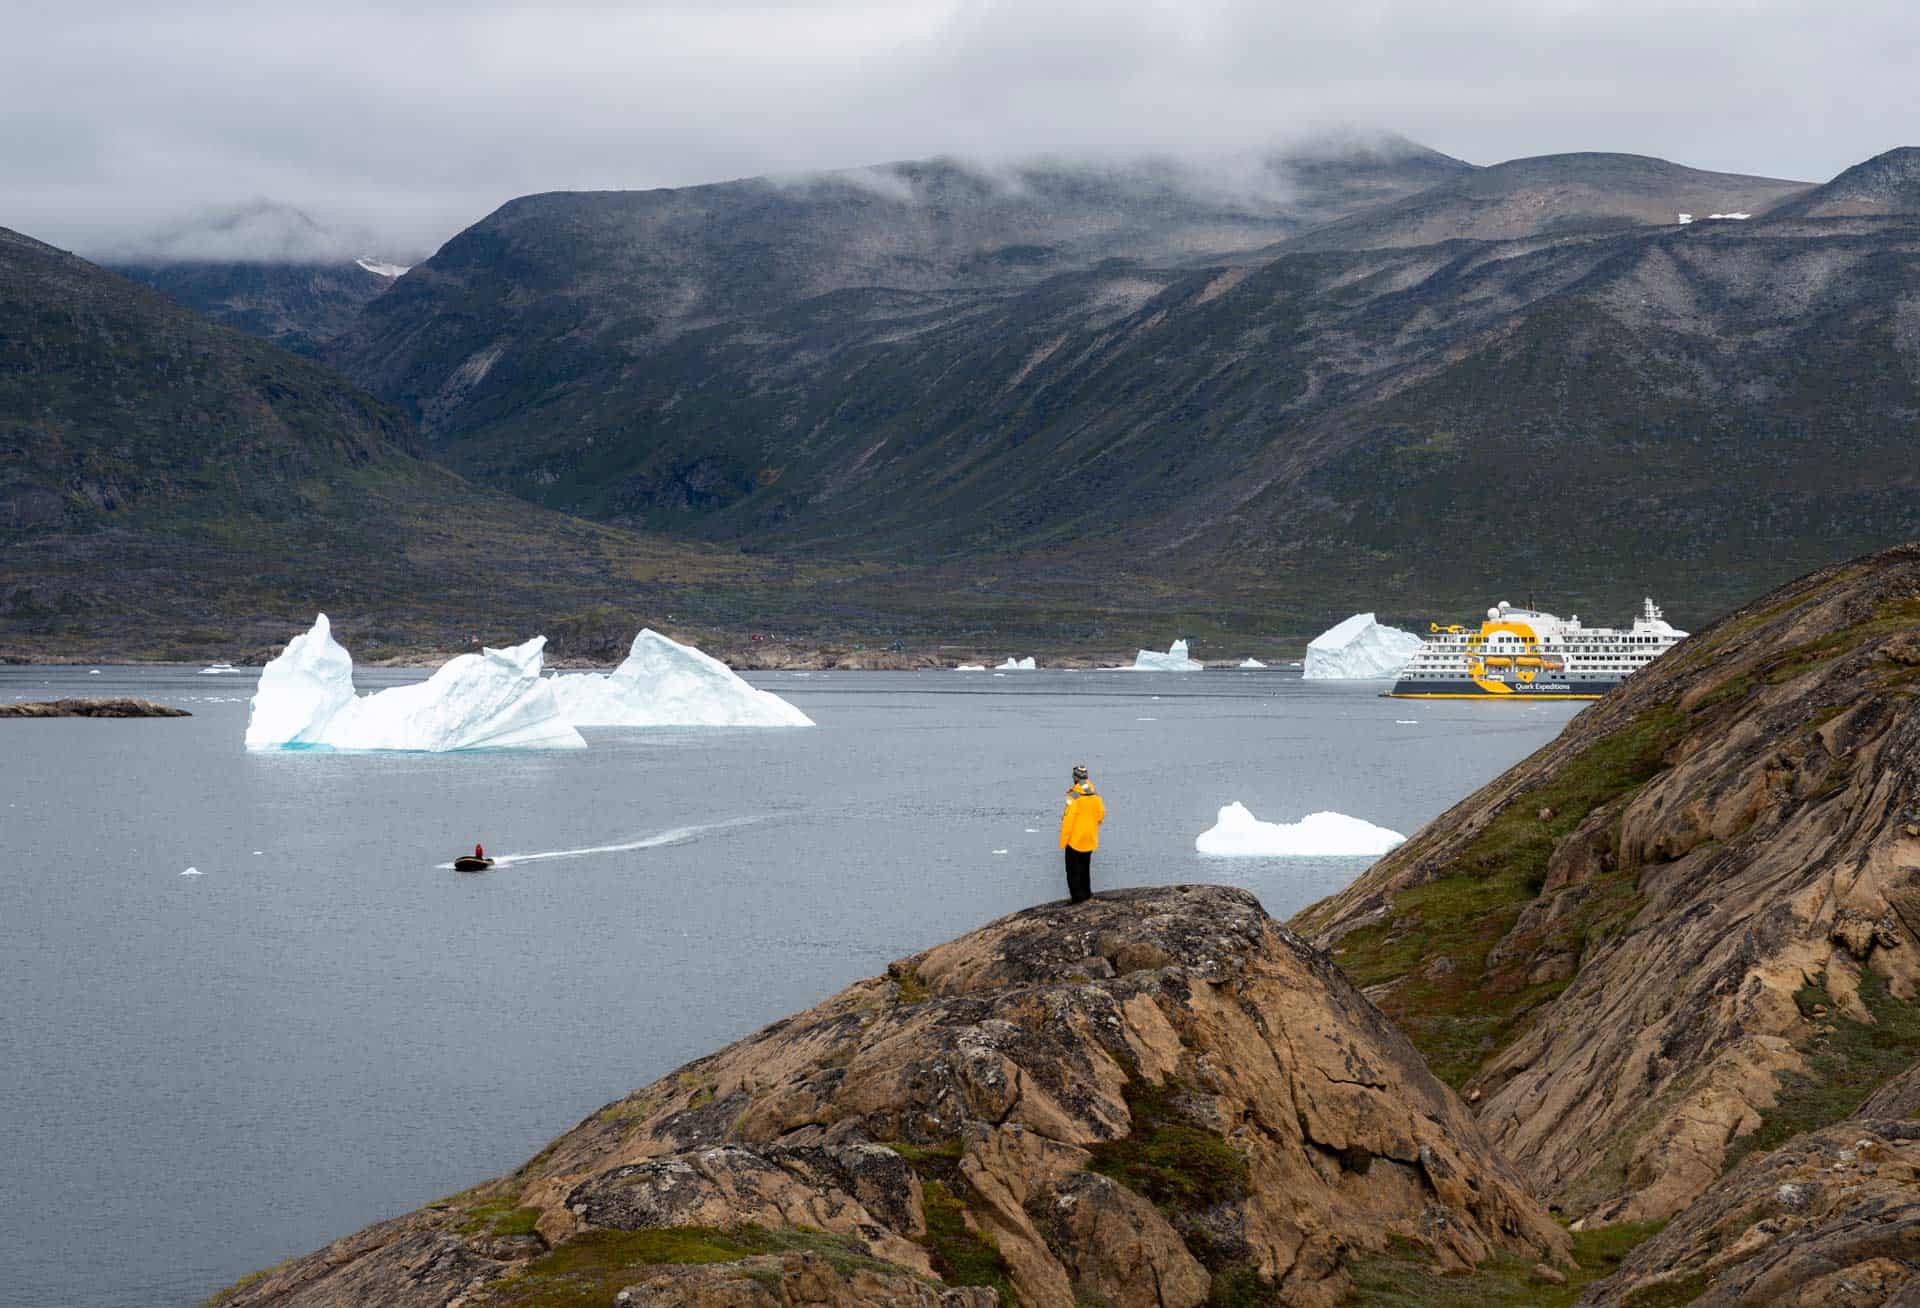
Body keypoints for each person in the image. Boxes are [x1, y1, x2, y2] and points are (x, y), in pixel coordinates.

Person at [1058, 764, 1105, 904]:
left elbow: (1068, 820)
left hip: (1075, 839)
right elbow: (1101, 814)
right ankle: (1087, 893)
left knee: (1073, 871)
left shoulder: (1073, 796)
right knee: (1085, 867)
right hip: (1089, 837)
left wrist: (1063, 841)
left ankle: (1078, 898)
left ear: (1075, 778)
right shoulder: (1095, 795)